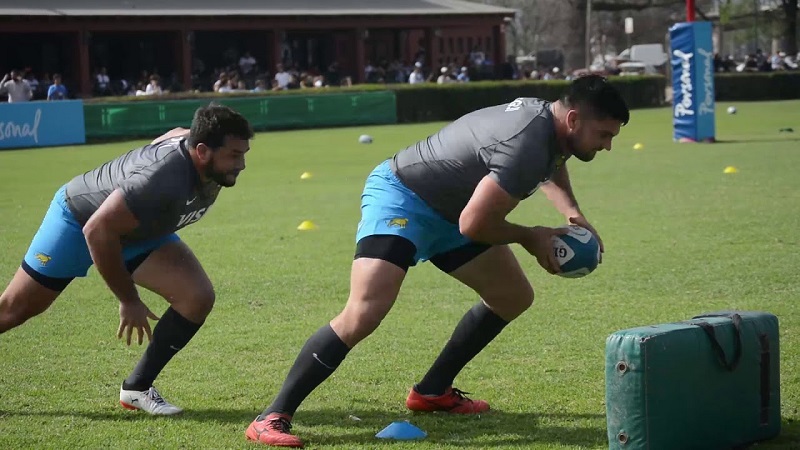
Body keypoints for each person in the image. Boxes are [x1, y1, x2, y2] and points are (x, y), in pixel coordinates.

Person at [245, 74, 630, 447]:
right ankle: (272, 416)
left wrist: (572, 215)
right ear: (574, 119)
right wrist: (532, 236)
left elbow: (553, 161)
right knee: (364, 311)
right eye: (604, 135)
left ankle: (432, 391)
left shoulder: (549, 121)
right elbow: (476, 223)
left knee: (512, 295)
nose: (608, 146)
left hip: (455, 209)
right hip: (403, 196)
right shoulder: (526, 142)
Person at [0, 104, 253, 415]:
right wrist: (128, 300)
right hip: (80, 222)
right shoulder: (160, 181)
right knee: (13, 310)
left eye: (244, 154)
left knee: (196, 297)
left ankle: (137, 388)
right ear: (202, 151)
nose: (241, 164)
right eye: (233, 155)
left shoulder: (197, 150)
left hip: (136, 231)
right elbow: (97, 229)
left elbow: (173, 136)